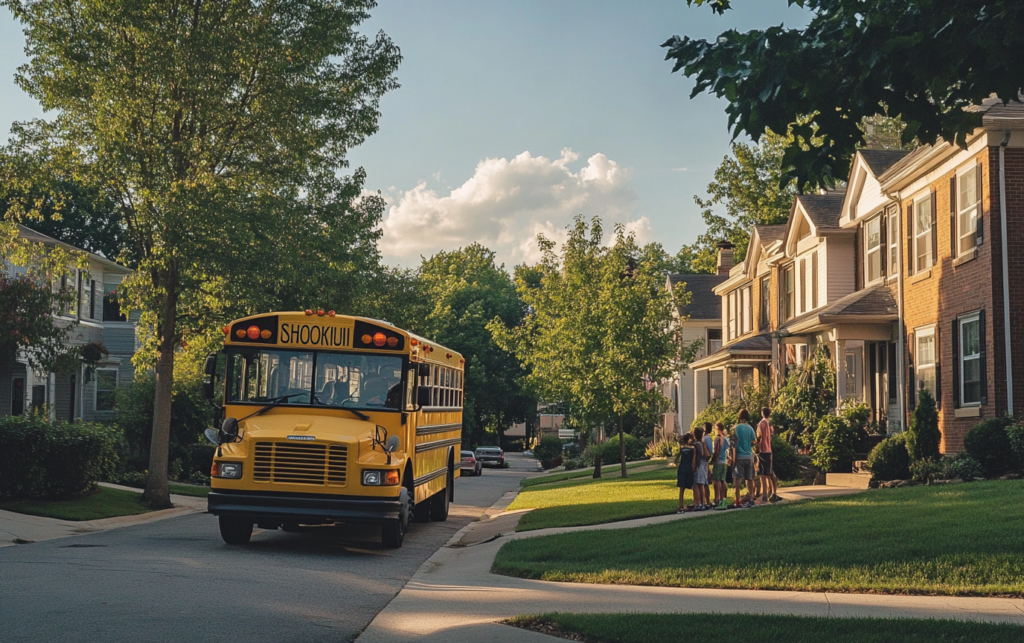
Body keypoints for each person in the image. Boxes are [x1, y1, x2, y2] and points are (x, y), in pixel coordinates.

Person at [731, 409, 757, 508]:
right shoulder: (750, 428)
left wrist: (733, 459)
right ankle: (751, 498)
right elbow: (754, 441)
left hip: (739, 456)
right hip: (749, 455)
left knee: (737, 479)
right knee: (750, 479)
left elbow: (733, 443)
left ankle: (737, 501)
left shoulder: (736, 428)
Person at [757, 406, 780, 503]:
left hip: (762, 449)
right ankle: (773, 492)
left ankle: (765, 494)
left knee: (762, 473)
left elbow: (758, 436)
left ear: (762, 413)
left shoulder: (761, 423)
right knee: (770, 472)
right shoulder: (769, 423)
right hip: (769, 449)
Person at [711, 422, 730, 508]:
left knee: (717, 481)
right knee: (723, 480)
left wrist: (713, 459)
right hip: (724, 462)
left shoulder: (717, 439)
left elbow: (716, 450)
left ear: (717, 428)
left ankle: (717, 498)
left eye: (715, 428)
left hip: (718, 461)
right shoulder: (726, 439)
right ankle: (723, 498)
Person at [676, 433, 696, 513]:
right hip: (689, 468)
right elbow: (693, 461)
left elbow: (677, 457)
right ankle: (696, 502)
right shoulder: (692, 449)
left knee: (682, 488)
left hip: (681, 468)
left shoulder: (681, 448)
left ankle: (680, 505)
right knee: (692, 486)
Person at [693, 426, 711, 510]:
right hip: (704, 465)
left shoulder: (697, 444)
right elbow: (706, 455)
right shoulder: (702, 443)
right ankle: (703, 502)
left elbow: (697, 456)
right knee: (702, 484)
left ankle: (698, 503)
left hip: (698, 465)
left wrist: (695, 465)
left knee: (696, 484)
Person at [701, 422, 715, 507]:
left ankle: (707, 500)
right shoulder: (704, 438)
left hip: (704, 462)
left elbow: (710, 451)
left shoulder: (707, 438)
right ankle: (703, 500)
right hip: (702, 462)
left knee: (705, 483)